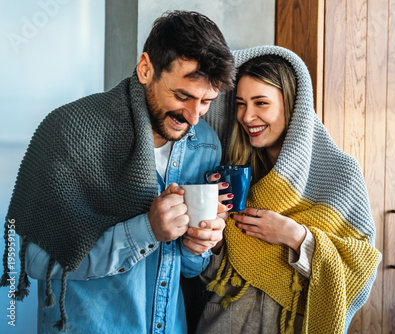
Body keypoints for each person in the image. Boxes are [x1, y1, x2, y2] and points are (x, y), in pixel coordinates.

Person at [0, 10, 235, 333]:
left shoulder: (205, 145)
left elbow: (189, 269)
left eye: (206, 102)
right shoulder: (70, 132)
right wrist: (146, 230)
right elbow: (38, 261)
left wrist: (199, 247)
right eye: (182, 96)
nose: (194, 116)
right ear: (145, 69)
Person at [196, 46, 382, 334]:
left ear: (291, 105)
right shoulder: (232, 171)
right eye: (242, 104)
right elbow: (211, 276)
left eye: (261, 103)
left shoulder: (341, 174)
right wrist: (216, 237)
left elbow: (360, 271)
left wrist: (296, 236)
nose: (247, 117)